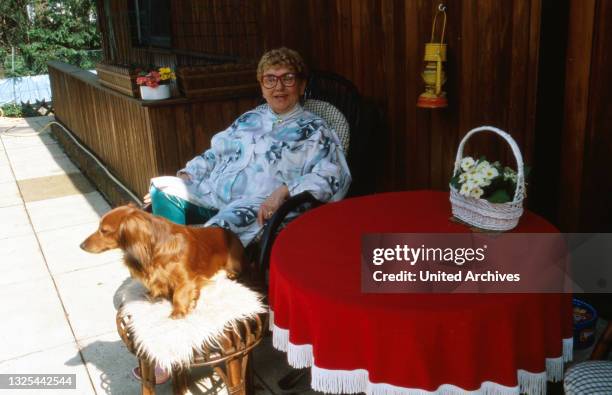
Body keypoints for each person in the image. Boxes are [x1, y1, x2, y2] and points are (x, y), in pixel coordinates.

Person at [144, 47, 351, 246]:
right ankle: (171, 259)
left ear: (302, 85)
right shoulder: (249, 118)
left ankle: (189, 265)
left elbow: (332, 176)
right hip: (212, 193)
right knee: (162, 189)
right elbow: (215, 154)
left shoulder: (316, 130)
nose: (279, 87)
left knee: (212, 234)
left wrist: (284, 191)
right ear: (262, 87)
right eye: (270, 79)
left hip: (256, 206)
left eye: (288, 79)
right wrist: (188, 175)